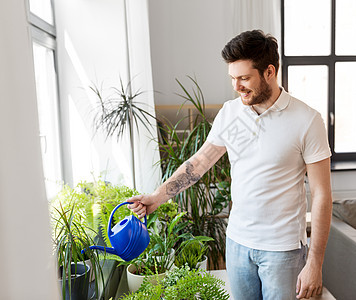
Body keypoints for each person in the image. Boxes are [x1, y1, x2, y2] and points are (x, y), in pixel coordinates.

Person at [127, 30, 332, 300]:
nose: (237, 86)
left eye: (244, 78)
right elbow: (199, 163)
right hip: (237, 244)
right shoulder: (233, 113)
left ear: (269, 72)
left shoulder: (306, 120)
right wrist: (157, 196)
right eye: (233, 78)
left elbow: (322, 195)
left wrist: (315, 263)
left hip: (282, 250)